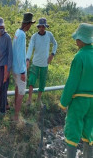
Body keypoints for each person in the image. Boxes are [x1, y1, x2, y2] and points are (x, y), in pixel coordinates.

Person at [59, 23, 93, 158]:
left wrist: (63, 102)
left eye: (77, 38)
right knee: (89, 131)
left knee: (72, 131)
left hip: (79, 100)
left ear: (82, 40)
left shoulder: (79, 57)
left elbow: (72, 82)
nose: (75, 41)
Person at [26, 18, 57, 105]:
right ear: (38, 27)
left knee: (42, 82)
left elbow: (55, 44)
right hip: (35, 62)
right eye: (40, 26)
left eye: (43, 26)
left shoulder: (49, 35)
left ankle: (39, 100)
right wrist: (27, 59)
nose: (42, 28)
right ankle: (29, 99)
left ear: (45, 27)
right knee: (32, 80)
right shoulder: (34, 36)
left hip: (45, 63)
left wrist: (52, 55)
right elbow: (30, 48)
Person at [12, 12, 35, 121]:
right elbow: (20, 53)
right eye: (30, 24)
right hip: (20, 69)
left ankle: (14, 109)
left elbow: (16, 51)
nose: (30, 26)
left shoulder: (17, 31)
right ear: (28, 24)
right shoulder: (22, 35)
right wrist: (22, 72)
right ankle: (16, 116)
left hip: (15, 67)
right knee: (21, 92)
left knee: (17, 87)